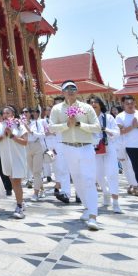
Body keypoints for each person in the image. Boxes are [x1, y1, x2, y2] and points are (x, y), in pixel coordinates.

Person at [49, 81, 101, 231]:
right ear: (62, 92)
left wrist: (79, 125)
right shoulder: (57, 109)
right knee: (77, 181)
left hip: (85, 146)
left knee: (89, 180)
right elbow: (52, 127)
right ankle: (87, 208)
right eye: (67, 89)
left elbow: (97, 127)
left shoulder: (86, 108)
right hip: (68, 148)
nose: (70, 91)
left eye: (73, 88)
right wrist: (66, 125)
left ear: (77, 91)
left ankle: (93, 215)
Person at [0, 105, 29, 219]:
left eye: (8, 113)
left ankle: (19, 206)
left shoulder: (19, 125)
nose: (5, 115)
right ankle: (21, 201)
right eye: (4, 113)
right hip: (6, 157)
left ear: (13, 114)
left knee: (16, 181)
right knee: (13, 182)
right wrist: (4, 135)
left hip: (17, 157)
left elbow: (25, 142)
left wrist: (12, 136)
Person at [88, 97, 122, 213]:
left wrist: (105, 129)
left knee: (112, 173)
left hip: (109, 148)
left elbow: (117, 133)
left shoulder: (108, 117)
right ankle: (106, 192)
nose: (93, 104)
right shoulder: (88, 120)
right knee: (98, 175)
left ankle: (116, 202)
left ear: (100, 104)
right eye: (91, 103)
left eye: (95, 102)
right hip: (95, 150)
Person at [22, 108, 46, 201]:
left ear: (30, 113)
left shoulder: (36, 122)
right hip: (27, 147)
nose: (24, 113)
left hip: (36, 146)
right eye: (23, 112)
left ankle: (35, 193)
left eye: (26, 112)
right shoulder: (21, 123)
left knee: (37, 171)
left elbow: (42, 135)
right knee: (33, 171)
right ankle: (42, 189)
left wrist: (31, 131)